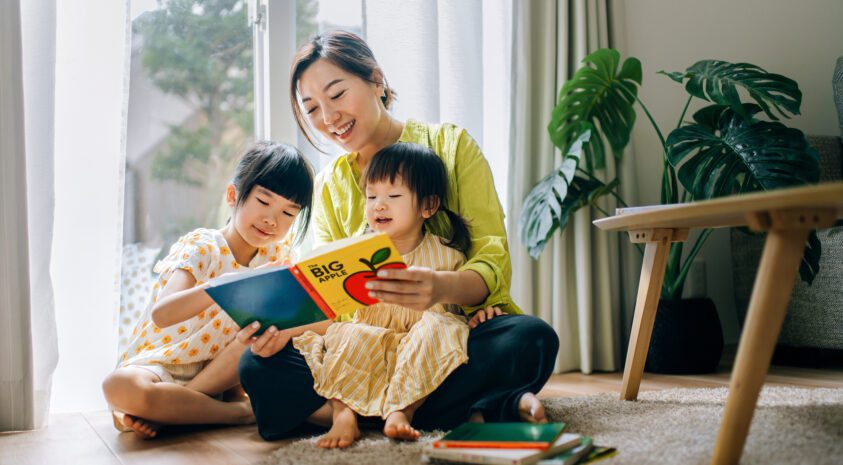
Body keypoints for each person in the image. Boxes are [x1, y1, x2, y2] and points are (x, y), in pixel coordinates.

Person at [237, 30, 560, 441]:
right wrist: (282, 331)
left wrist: (441, 287)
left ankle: (360, 411)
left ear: (376, 80)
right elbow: (334, 302)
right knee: (256, 365)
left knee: (530, 338)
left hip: (444, 335)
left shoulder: (451, 146)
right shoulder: (331, 185)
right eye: (313, 108)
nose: (329, 117)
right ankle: (448, 408)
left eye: (337, 94)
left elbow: (491, 256)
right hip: (364, 345)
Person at [102, 142, 314, 438]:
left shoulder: (279, 255)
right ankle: (235, 414)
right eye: (264, 202)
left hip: (221, 372)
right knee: (117, 387)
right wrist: (229, 286)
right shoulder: (204, 246)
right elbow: (162, 314)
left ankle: (180, 408)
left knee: (256, 335)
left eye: (289, 213)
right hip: (164, 364)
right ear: (232, 196)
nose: (272, 220)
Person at [294, 142, 473, 448]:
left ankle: (400, 411)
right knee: (347, 334)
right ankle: (344, 413)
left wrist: (479, 313)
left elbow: (459, 314)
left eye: (392, 196)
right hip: (369, 340)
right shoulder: (356, 251)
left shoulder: (448, 256)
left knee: (443, 326)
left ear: (428, 206)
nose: (378, 205)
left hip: (418, 348)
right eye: (372, 196)